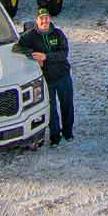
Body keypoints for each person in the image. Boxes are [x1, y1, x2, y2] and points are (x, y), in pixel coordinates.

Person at [15, 9, 73, 144]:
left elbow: (63, 53)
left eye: (46, 18)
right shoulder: (30, 36)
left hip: (63, 76)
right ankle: (55, 137)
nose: (44, 21)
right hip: (47, 80)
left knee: (67, 105)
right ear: (36, 20)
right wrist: (33, 55)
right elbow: (17, 48)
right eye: (41, 18)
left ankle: (68, 132)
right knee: (51, 109)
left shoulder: (58, 34)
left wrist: (46, 57)